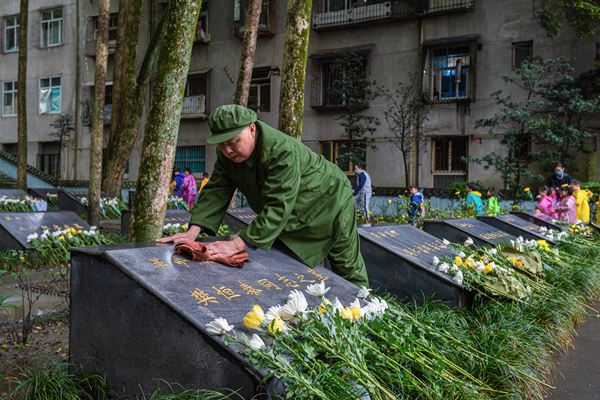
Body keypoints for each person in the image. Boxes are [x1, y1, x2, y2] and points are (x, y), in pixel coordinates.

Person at [157, 104, 369, 287]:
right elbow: (216, 190)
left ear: (251, 129)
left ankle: (368, 315)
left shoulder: (282, 151)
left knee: (347, 267)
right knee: (286, 266)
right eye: (221, 145)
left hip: (330, 200)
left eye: (233, 142)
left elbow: (278, 205)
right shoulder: (227, 156)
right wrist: (192, 234)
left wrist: (235, 244)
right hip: (293, 214)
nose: (228, 150)